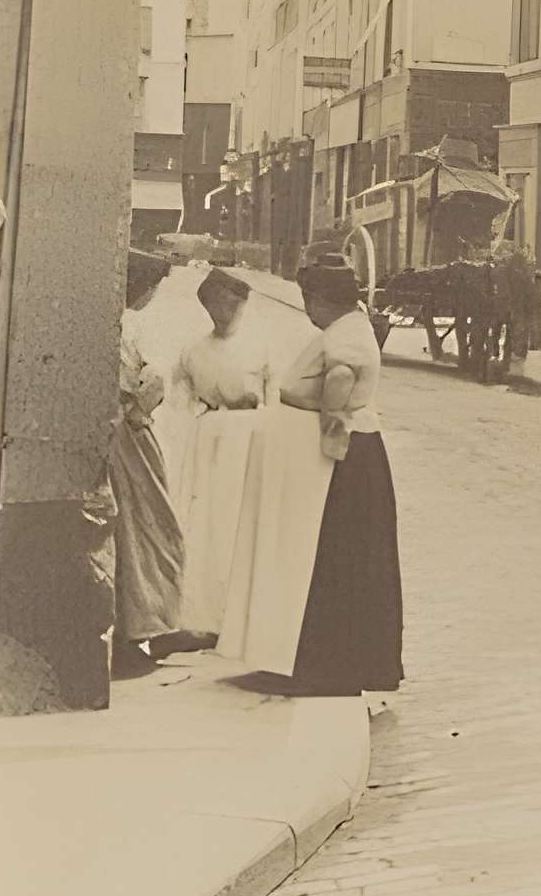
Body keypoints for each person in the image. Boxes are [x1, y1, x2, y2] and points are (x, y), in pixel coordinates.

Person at [219, 256, 402, 700]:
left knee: (330, 562)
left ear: (321, 299)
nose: (307, 309)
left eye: (309, 300)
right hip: (347, 459)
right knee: (330, 562)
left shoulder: (346, 335)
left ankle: (328, 669)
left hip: (341, 464)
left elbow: (339, 379)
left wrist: (328, 428)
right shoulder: (349, 328)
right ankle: (313, 662)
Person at [168, 267, 270, 644]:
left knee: (243, 521)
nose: (224, 312)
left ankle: (246, 615)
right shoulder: (193, 352)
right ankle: (205, 615)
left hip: (249, 437)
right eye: (216, 305)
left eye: (232, 304)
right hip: (208, 438)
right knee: (208, 524)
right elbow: (178, 403)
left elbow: (276, 402)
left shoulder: (260, 348)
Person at [112, 249, 188, 680]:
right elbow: (151, 380)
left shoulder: (112, 322)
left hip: (114, 432)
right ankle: (143, 628)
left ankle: (148, 626)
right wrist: (141, 410)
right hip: (131, 435)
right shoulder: (135, 325)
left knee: (132, 529)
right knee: (152, 527)